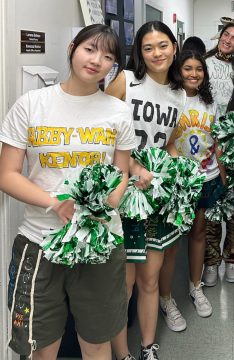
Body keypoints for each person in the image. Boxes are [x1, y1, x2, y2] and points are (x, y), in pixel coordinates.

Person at [0, 24, 136, 360]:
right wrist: (54, 204)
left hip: (100, 243)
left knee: (96, 342)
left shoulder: (118, 112)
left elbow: (121, 170)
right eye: (90, 49)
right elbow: (6, 174)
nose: (96, 61)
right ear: (73, 47)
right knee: (40, 347)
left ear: (113, 66)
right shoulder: (31, 104)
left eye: (108, 57)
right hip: (39, 241)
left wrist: (112, 200)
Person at [107, 21, 186, 360]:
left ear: (174, 47)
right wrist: (132, 168)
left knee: (150, 278)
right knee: (123, 283)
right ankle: (121, 353)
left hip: (155, 195)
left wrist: (174, 168)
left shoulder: (179, 93)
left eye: (163, 45)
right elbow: (99, 132)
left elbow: (167, 143)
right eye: (148, 47)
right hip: (122, 193)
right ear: (139, 52)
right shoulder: (126, 80)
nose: (157, 53)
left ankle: (147, 347)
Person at [166, 49, 225, 319]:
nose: (193, 73)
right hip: (177, 180)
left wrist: (223, 176)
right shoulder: (170, 98)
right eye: (188, 68)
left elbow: (217, 141)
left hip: (206, 177)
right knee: (172, 241)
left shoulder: (209, 102)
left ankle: (195, 286)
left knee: (199, 233)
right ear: (178, 70)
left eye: (199, 69)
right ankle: (166, 298)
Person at [203, 18, 234, 286]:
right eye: (226, 35)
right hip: (208, 143)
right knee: (211, 204)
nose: (228, 40)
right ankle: (211, 260)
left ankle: (233, 257)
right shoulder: (205, 63)